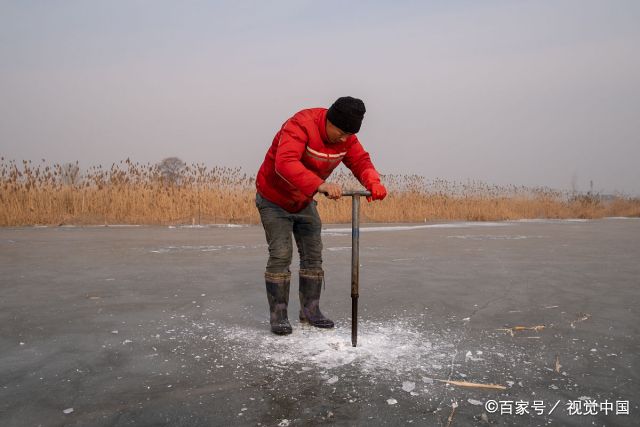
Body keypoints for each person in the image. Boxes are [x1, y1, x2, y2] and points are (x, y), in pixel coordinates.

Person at [255, 96, 387, 335]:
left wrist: (373, 180)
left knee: (313, 254)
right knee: (281, 254)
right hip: (274, 199)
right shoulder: (301, 124)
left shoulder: (347, 139)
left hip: (303, 200)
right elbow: (284, 163)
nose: (345, 139)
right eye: (342, 132)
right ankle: (279, 316)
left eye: (350, 134)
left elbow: (360, 160)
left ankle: (310, 311)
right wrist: (320, 185)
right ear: (329, 121)